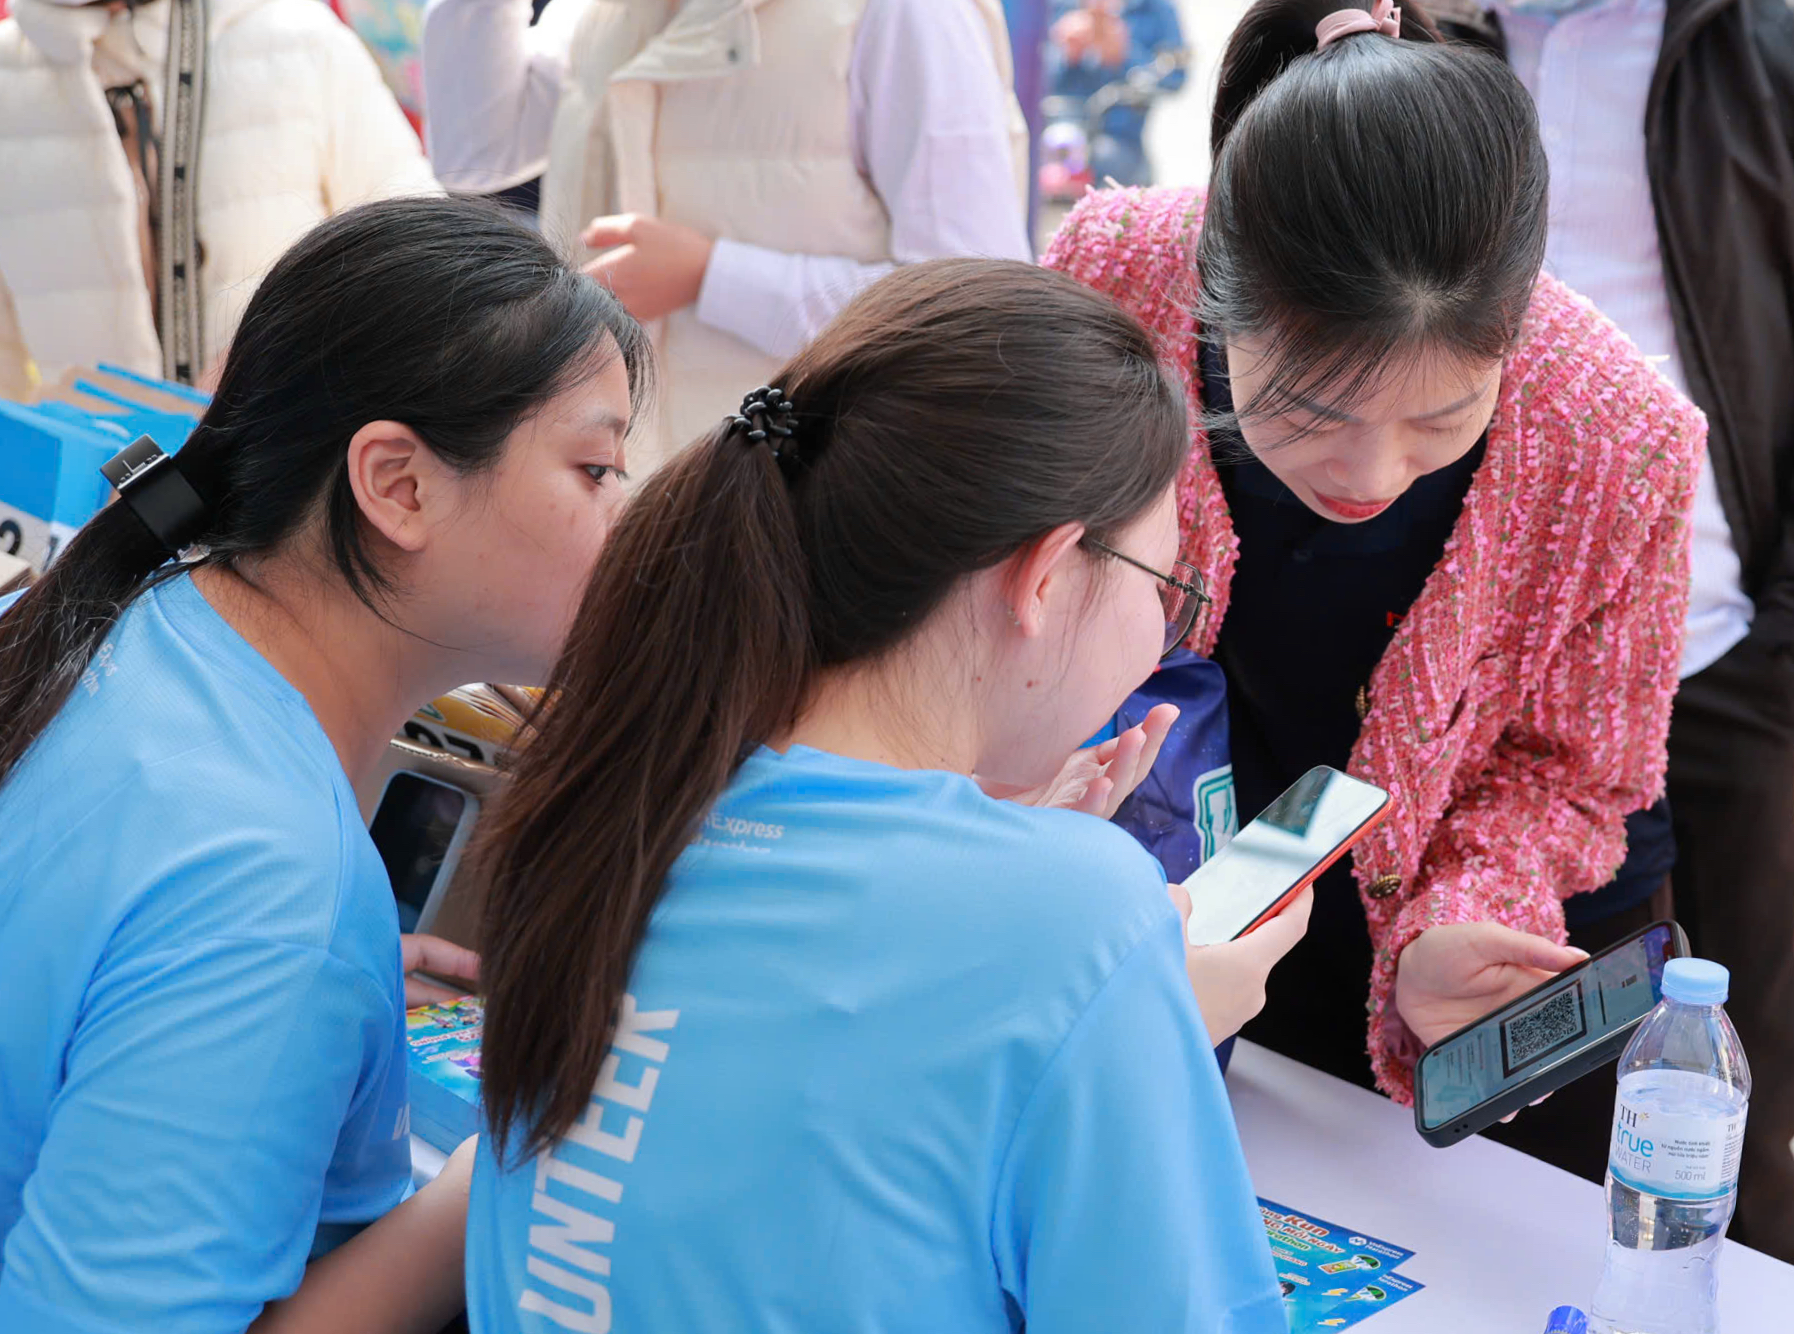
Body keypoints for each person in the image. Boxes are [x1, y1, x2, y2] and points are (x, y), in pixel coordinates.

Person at [463, 259, 1304, 1332]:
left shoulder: (629, 784)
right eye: (1167, 587)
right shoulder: (1077, 918)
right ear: (1046, 576)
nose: (1161, 636)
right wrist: (1141, 1016)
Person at [1043, 0, 1706, 1113]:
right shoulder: (1115, 276)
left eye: (1442, 421)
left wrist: (1460, 917)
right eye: (1309, 411)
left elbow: (1573, 769)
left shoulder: (1618, 440)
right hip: (1167, 875)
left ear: (1513, 333)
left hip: (1457, 943)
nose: (1372, 473)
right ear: (1216, 300)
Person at [0, 196, 650, 1332]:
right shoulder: (269, 894)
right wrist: (490, 1184)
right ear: (398, 484)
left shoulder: (126, 623)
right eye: (595, 468)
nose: (624, 521)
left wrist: (249, 1017)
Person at [1418, 0, 1794, 1264]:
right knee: (1493, 1092)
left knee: (1732, 1095)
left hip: (1723, 644)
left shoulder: (1763, 49)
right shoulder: (1405, 38)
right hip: (1457, 670)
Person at [420, 0, 1032, 478]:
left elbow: (978, 308)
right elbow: (477, 150)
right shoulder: (602, 12)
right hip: (633, 495)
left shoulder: (906, 13)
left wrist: (712, 277)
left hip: (815, 496)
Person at [0, 0, 437, 397]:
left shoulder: (297, 39)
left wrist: (276, 361)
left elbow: (420, 269)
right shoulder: (8, 78)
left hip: (290, 446)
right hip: (97, 458)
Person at [1044, 0, 1185, 187]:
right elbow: (1020, 76)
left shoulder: (1154, 8)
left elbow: (1176, 77)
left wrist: (1125, 55)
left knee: (1108, 164)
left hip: (1119, 139)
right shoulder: (1054, 6)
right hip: (1053, 128)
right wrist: (1064, 52)